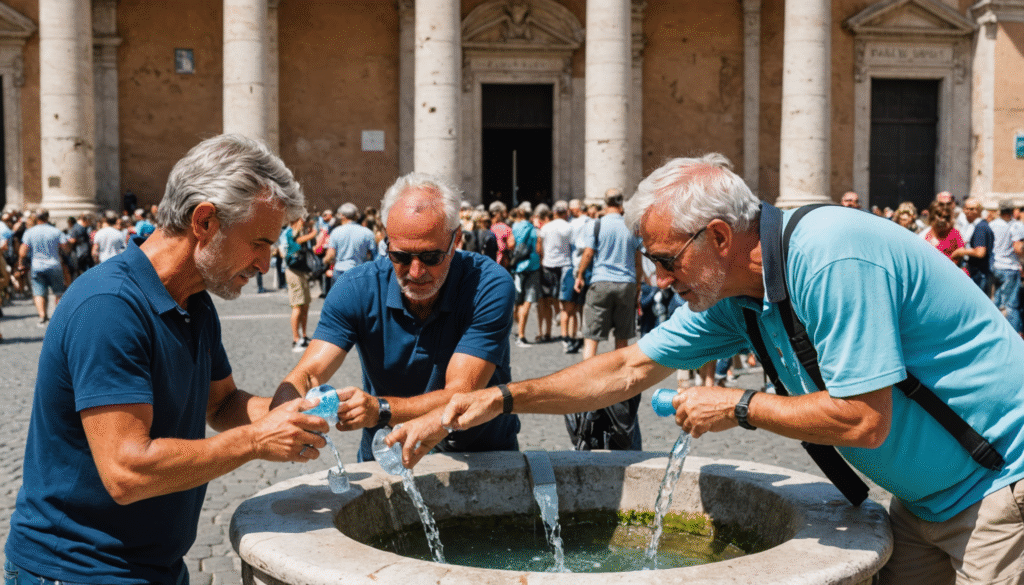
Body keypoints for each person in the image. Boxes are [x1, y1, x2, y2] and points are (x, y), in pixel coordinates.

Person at [392, 152, 1024, 585]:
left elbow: (864, 420)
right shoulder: (738, 299)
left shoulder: (830, 258)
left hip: (1000, 487)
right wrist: (503, 398)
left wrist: (741, 407)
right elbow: (626, 368)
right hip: (926, 501)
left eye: (666, 261)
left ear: (719, 239)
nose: (660, 281)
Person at [3, 134, 329, 585]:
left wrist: (287, 414)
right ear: (204, 221)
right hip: (76, 571)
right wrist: (256, 440)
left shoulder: (195, 301)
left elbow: (221, 403)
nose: (265, 263)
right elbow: (127, 471)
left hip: (150, 566)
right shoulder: (109, 307)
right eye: (259, 242)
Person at [271, 172, 519, 464]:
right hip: (387, 454)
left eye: (430, 257)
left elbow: (461, 394)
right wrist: (284, 411)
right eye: (400, 256)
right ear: (385, 240)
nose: (415, 272)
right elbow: (310, 373)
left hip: (477, 456)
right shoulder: (356, 288)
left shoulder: (488, 284)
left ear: (456, 241)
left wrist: (380, 410)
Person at [18, 209, 69, 326]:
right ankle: (59, 315)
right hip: (54, 265)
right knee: (59, 292)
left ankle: (42, 315)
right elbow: (65, 248)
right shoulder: (56, 231)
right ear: (48, 217)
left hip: (37, 266)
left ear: (36, 218)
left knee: (38, 292)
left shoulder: (29, 232)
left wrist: (21, 262)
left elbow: (22, 252)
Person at [538, 200, 573, 351]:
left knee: (547, 298)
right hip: (565, 264)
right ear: (566, 212)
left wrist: (542, 258)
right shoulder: (569, 227)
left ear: (554, 213)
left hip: (548, 264)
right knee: (564, 298)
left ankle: (547, 330)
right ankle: (566, 329)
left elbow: (539, 246)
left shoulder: (546, 227)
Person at [283, 214, 317, 351]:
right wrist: (313, 233)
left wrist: (310, 228)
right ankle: (296, 338)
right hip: (294, 271)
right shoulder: (291, 232)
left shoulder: (300, 230)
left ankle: (303, 335)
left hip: (302, 271)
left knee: (305, 304)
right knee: (297, 305)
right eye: (303, 218)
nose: (305, 221)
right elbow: (299, 241)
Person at [990, 200, 1024, 334]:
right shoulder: (1016, 226)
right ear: (1012, 211)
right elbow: (1018, 248)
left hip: (996, 267)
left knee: (996, 303)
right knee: (1011, 305)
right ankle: (1014, 336)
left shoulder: (993, 224)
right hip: (1010, 267)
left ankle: (995, 332)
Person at [324, 202, 376, 285]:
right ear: (356, 216)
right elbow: (374, 255)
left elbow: (330, 255)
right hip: (360, 272)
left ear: (341, 216)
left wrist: (324, 262)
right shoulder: (368, 233)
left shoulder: (336, 232)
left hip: (340, 272)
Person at [510, 206, 541, 347]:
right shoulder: (533, 229)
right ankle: (522, 335)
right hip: (533, 265)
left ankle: (518, 331)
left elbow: (510, 244)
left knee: (518, 301)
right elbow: (539, 248)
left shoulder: (514, 227)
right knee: (527, 301)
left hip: (518, 266)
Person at [952, 198, 994, 293]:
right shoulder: (977, 226)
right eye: (966, 208)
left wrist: (961, 252)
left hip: (979, 273)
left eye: (971, 209)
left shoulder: (980, 227)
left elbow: (980, 252)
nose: (967, 212)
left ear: (978, 211)